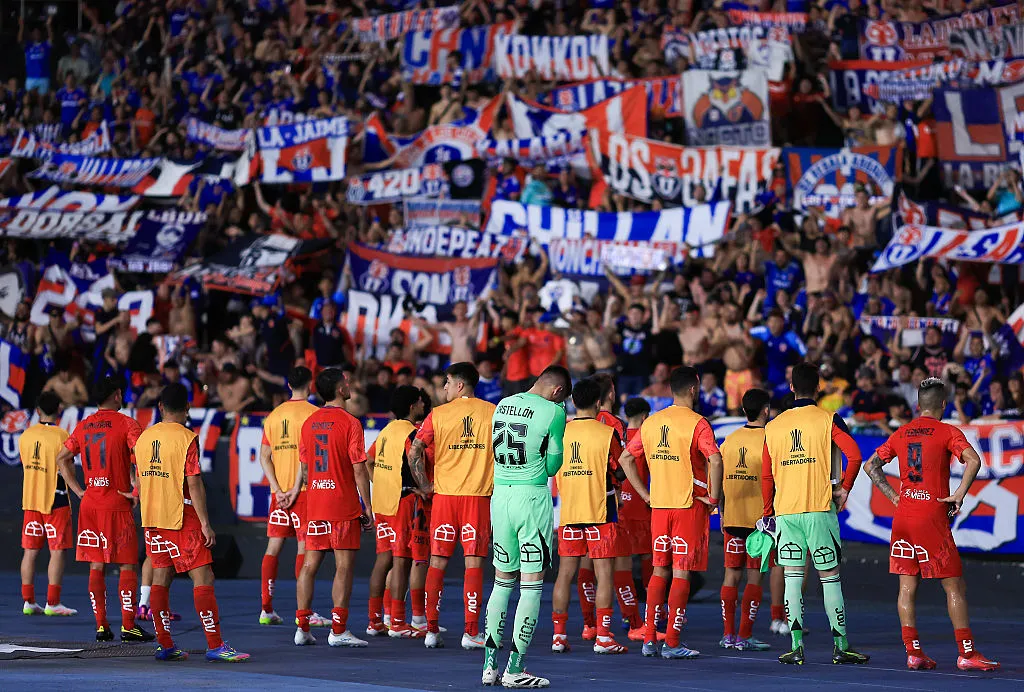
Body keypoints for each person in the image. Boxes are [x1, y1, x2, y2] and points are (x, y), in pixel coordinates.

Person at [863, 377, 1000, 672]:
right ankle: (967, 653)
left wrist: (894, 497)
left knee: (906, 585)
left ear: (917, 405)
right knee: (954, 585)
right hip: (931, 516)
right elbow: (973, 461)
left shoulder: (901, 432)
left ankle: (913, 653)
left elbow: (870, 466)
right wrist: (959, 495)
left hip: (903, 517)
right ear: (943, 405)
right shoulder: (947, 431)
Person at [133, 383, 249, 661]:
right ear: (186, 409)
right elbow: (194, 483)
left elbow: (139, 478)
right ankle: (215, 644)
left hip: (152, 518)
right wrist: (206, 524)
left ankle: (166, 644)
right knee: (203, 576)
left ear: (160, 407)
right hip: (181, 516)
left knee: (161, 577)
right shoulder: (187, 438)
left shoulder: (143, 438)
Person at [761, 362, 868, 665]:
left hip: (786, 513)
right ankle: (841, 646)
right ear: (819, 387)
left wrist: (769, 511)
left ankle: (796, 648)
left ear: (791, 387)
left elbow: (766, 476)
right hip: (819, 508)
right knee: (830, 579)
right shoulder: (828, 419)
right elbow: (855, 455)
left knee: (793, 579)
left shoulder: (773, 426)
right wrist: (845, 488)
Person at [618, 366, 724, 660]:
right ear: (694, 389)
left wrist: (644, 494)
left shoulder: (652, 422)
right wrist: (714, 498)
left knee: (658, 570)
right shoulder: (697, 423)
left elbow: (626, 458)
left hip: (659, 508)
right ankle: (673, 642)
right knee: (680, 572)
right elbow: (714, 460)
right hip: (687, 507)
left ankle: (650, 638)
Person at [483, 365, 570, 688]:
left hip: (500, 497)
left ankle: (489, 665)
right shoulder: (553, 411)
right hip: (530, 498)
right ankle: (515, 668)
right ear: (558, 391)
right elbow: (552, 466)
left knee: (501, 582)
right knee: (531, 585)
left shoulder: (503, 404)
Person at [56, 377, 154, 641]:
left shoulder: (84, 425)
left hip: (90, 504)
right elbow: (144, 455)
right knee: (126, 565)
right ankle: (128, 625)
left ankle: (101, 625)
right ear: (116, 395)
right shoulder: (126, 424)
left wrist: (79, 491)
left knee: (96, 566)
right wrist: (137, 491)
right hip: (116, 502)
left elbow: (62, 459)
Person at [408, 362, 497, 650]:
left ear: (460, 385)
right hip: (477, 499)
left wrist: (423, 485)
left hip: (444, 499)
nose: (444, 387)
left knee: (437, 562)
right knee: (473, 564)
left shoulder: (437, 414)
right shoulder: (492, 412)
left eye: (447, 382)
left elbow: (415, 451)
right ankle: (471, 633)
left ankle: (431, 630)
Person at [294, 368, 372, 648]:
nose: (350, 385)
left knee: (309, 564)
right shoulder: (350, 422)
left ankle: (302, 627)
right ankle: (338, 630)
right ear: (340, 390)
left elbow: (304, 469)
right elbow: (359, 469)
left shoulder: (309, 422)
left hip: (315, 504)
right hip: (342, 505)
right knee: (344, 567)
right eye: (347, 382)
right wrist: (368, 507)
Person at [551, 377, 628, 656]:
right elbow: (621, 470)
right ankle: (604, 637)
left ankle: (559, 636)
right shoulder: (606, 433)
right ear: (599, 402)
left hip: (570, 512)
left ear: (573, 401)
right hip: (600, 510)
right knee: (604, 575)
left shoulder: (560, 432)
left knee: (564, 575)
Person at [257, 367, 325, 627]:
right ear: (310, 385)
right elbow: (306, 457)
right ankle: (304, 612)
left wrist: (277, 489)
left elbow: (265, 457)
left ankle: (266, 609)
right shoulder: (314, 414)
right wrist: (295, 490)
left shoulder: (274, 415)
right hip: (303, 493)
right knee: (303, 548)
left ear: (288, 385)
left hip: (279, 494)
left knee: (273, 547)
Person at [366, 385, 428, 639]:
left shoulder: (385, 430)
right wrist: (422, 487)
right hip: (400, 502)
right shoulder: (411, 433)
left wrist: (378, 482)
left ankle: (375, 620)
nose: (424, 406)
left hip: (381, 501)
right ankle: (399, 622)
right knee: (401, 561)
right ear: (412, 406)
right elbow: (415, 464)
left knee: (383, 561)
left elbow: (368, 461)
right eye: (421, 403)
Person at [717, 389, 772, 652]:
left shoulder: (729, 440)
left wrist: (721, 510)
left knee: (731, 575)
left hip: (732, 518)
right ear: (766, 410)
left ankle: (728, 636)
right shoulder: (770, 439)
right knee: (754, 578)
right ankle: (745, 635)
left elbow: (717, 474)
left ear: (743, 411)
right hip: (760, 522)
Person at [20, 391, 77, 618]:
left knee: (30, 551)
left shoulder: (25, 435)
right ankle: (52, 603)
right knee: (57, 551)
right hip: (56, 499)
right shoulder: (62, 435)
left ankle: (28, 601)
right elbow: (68, 468)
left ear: (37, 410)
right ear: (59, 411)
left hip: (31, 499)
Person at [619, 397, 654, 641]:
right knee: (649, 558)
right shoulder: (647, 437)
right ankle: (654, 613)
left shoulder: (615, 435)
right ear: (644, 417)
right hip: (641, 505)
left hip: (619, 506)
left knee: (622, 562)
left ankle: (627, 614)